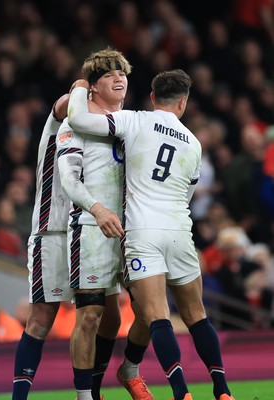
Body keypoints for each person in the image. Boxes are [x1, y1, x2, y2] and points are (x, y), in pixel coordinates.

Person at [66, 69, 235, 400]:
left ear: (154, 98)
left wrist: (81, 87)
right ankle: (222, 390)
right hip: (180, 230)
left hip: (143, 231)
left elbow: (80, 120)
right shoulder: (195, 144)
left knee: (157, 316)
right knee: (197, 315)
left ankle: (181, 393)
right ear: (183, 102)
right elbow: (187, 196)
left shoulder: (136, 120)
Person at [11, 89, 142, 400]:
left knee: (111, 317)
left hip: (89, 233)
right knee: (42, 319)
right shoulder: (64, 121)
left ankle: (91, 392)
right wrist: (87, 84)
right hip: (53, 229)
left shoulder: (108, 133)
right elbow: (65, 100)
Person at [56, 48, 152, 400]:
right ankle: (85, 397)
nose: (119, 78)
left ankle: (128, 369)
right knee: (92, 317)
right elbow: (69, 180)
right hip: (92, 229)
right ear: (92, 88)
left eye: (122, 73)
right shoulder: (74, 124)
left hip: (131, 231)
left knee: (146, 310)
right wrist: (97, 209)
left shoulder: (129, 124)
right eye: (110, 74)